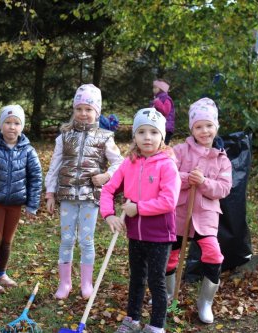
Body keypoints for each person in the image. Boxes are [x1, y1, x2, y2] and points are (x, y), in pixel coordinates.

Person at [100, 108, 181, 333]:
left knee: (156, 281)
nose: (147, 137)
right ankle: (132, 319)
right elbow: (108, 190)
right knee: (137, 278)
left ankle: (156, 326)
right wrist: (109, 215)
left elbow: (169, 201)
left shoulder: (167, 164)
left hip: (160, 235)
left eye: (154, 132)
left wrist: (139, 208)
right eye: (142, 131)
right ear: (134, 136)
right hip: (135, 234)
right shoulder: (129, 163)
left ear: (162, 136)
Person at [45, 84, 123, 300]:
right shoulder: (64, 136)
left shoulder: (105, 137)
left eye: (88, 109)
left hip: (90, 197)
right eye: (79, 109)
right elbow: (54, 165)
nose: (83, 113)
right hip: (68, 196)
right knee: (67, 239)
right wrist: (50, 193)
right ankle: (65, 283)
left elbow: (120, 163)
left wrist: (106, 176)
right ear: (74, 110)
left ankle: (86, 284)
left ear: (97, 111)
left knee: (86, 240)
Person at [168, 97, 232, 324]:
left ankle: (205, 302)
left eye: (209, 125)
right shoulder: (179, 151)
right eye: (198, 126)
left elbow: (224, 188)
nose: (204, 131)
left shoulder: (222, 158)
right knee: (170, 257)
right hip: (179, 214)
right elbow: (168, 176)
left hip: (206, 217)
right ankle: (168, 297)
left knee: (213, 254)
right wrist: (187, 178)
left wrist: (203, 182)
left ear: (216, 127)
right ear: (191, 129)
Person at [0, 104, 43, 294]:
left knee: (7, 241)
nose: (12, 127)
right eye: (7, 122)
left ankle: (1, 273)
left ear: (22, 126)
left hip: (15, 203)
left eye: (16, 123)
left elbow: (36, 177)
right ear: (1, 125)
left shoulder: (28, 151)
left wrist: (32, 205)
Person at [150, 79, 175, 145]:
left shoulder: (166, 99)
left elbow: (165, 111)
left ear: (161, 89)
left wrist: (157, 102)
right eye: (153, 87)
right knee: (156, 145)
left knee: (163, 145)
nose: (153, 89)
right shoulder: (157, 98)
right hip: (157, 126)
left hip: (165, 127)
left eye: (155, 87)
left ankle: (165, 155)